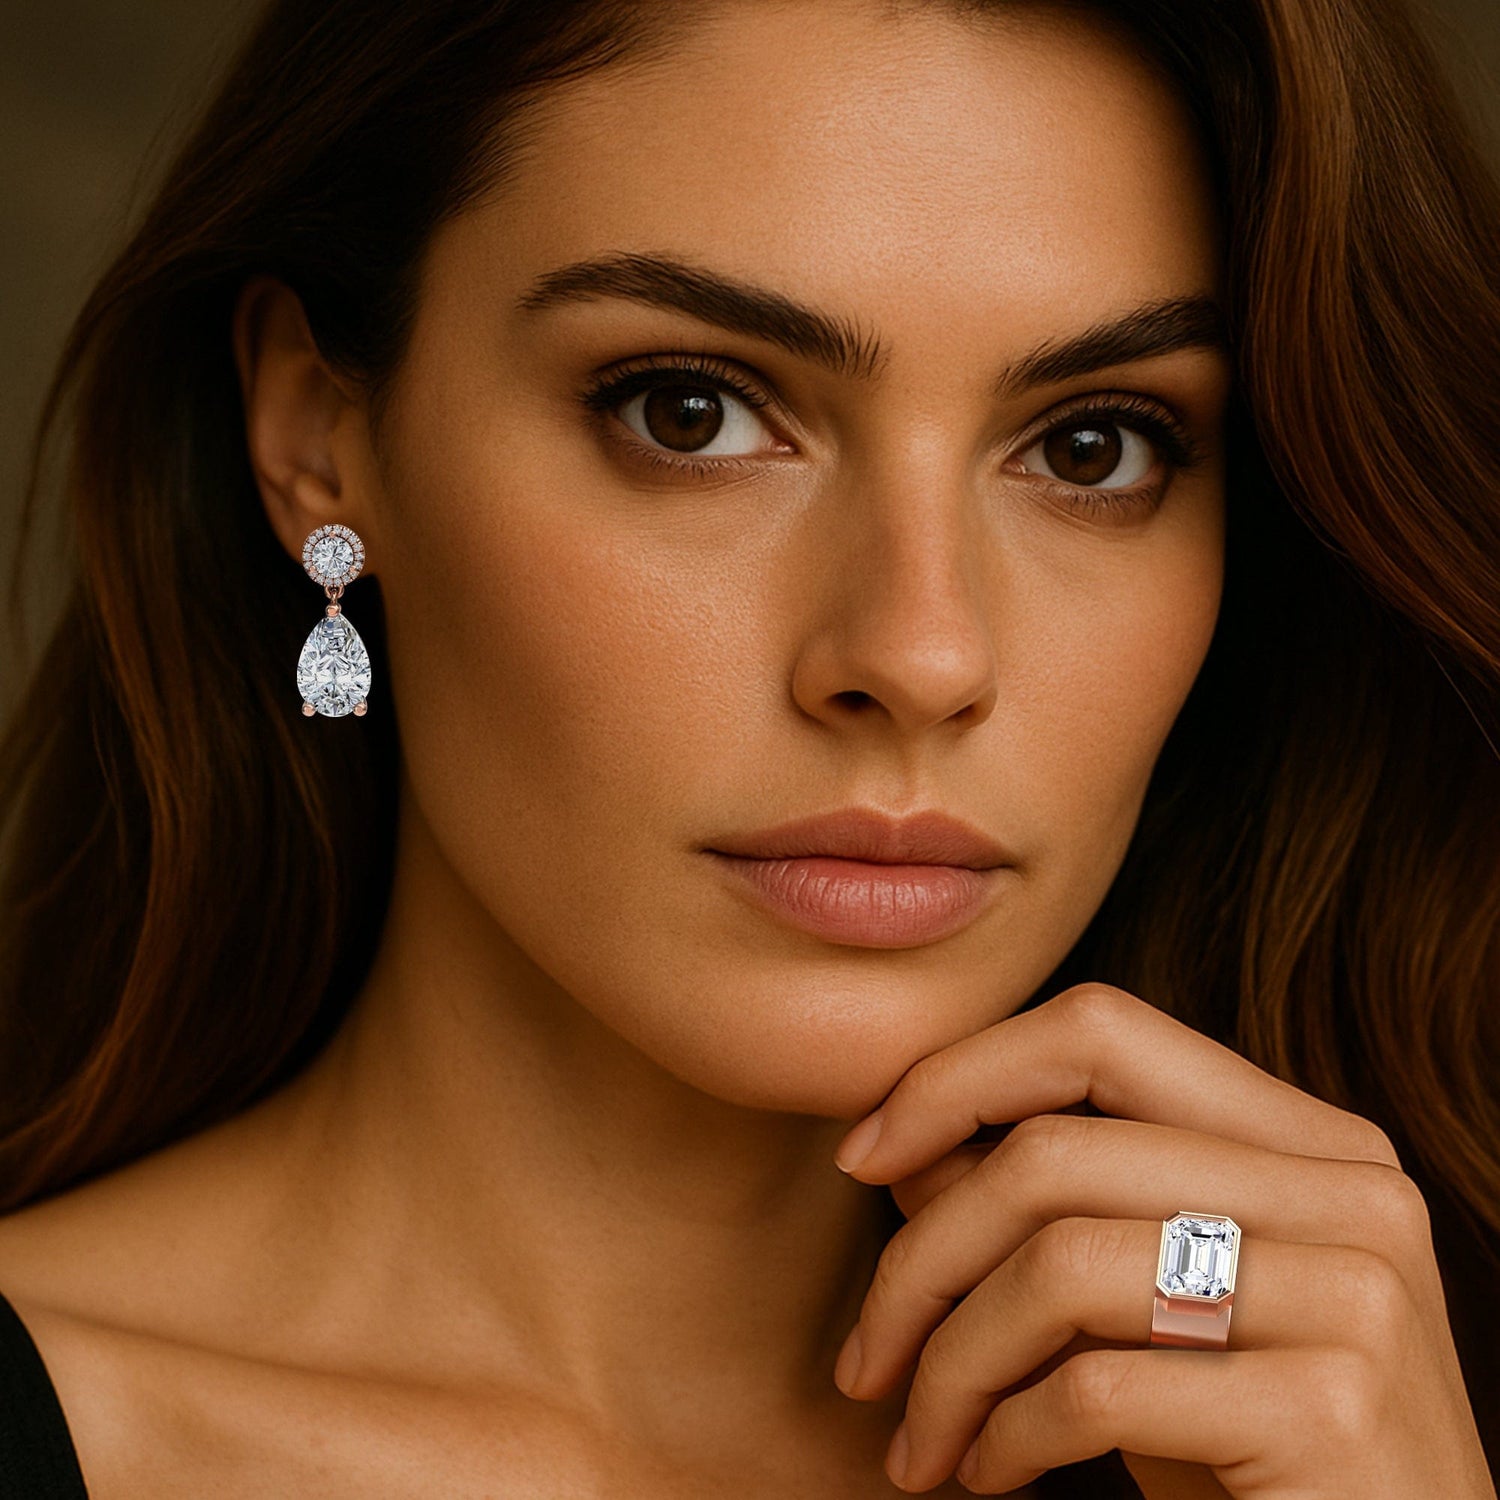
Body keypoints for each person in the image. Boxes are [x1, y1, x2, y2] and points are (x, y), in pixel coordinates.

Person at [0, 0, 1496, 1494]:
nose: (922, 655)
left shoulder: (1398, 1421)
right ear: (319, 434)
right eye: (692, 413)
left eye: (1091, 446)